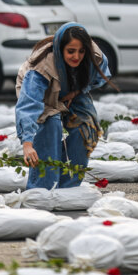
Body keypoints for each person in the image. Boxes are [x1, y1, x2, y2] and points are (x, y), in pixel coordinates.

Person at [15, 22, 118, 190]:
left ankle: (67, 188)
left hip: (73, 88)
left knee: (86, 128)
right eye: (70, 51)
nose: (76, 56)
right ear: (60, 49)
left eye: (81, 51)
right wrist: (27, 143)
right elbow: (29, 106)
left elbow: (99, 78)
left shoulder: (95, 57)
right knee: (51, 125)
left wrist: (76, 92)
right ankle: (41, 188)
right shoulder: (40, 69)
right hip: (43, 94)